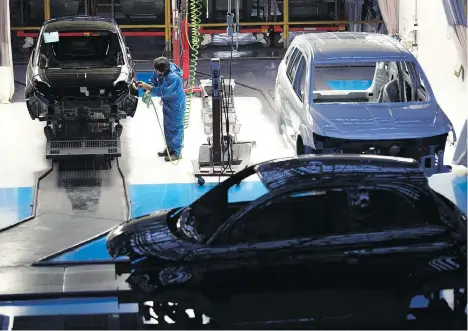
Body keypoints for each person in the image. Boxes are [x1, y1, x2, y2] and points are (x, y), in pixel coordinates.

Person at [138, 57, 186, 162]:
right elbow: (154, 79)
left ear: (163, 70)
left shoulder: (173, 77)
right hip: (168, 102)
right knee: (168, 126)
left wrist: (148, 87)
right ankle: (170, 148)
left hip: (175, 103)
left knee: (175, 127)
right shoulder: (160, 68)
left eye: (157, 70)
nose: (155, 71)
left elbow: (162, 91)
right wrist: (150, 87)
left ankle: (177, 152)